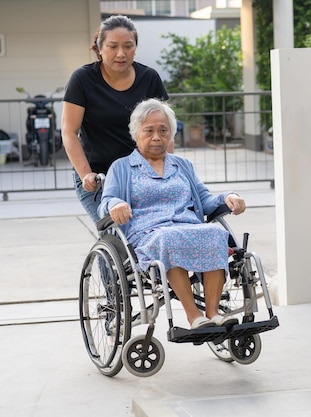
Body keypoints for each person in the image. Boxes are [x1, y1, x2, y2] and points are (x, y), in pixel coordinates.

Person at [98, 98, 246, 329]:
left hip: (187, 226)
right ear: (136, 133)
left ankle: (213, 313)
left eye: (163, 130)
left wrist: (228, 198)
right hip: (148, 234)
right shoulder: (121, 167)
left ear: (171, 134)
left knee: (215, 234)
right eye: (149, 130)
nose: (157, 136)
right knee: (169, 239)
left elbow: (205, 200)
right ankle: (192, 316)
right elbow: (106, 201)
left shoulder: (182, 165)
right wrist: (115, 204)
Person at [62, 15, 169, 224]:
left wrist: (165, 172)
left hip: (141, 176)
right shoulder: (82, 80)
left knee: (152, 230)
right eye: (112, 46)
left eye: (128, 46)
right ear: (99, 48)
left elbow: (165, 131)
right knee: (117, 236)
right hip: (98, 178)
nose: (121, 54)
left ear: (135, 48)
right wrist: (86, 175)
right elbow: (69, 132)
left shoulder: (150, 78)